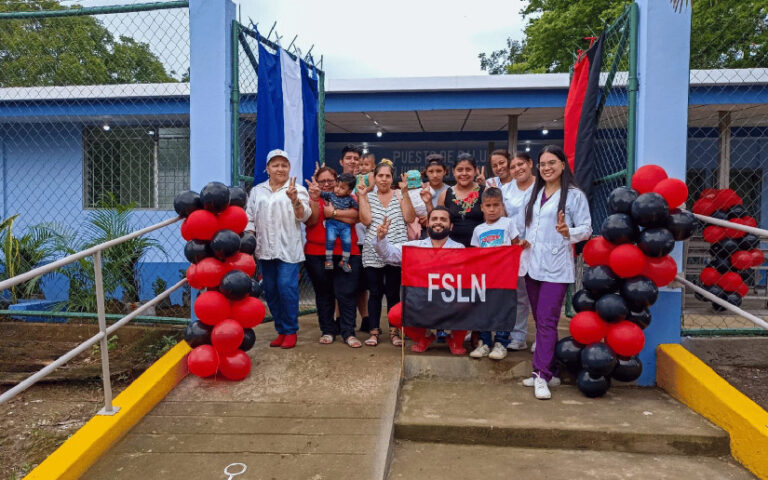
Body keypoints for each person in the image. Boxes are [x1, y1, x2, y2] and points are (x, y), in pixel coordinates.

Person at [518, 145, 592, 400]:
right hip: (532, 265)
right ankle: (551, 370)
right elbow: (527, 227)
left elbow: (587, 228)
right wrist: (522, 240)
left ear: (562, 165)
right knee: (540, 321)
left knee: (547, 320)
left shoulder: (574, 196)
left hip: (556, 268)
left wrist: (568, 232)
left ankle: (540, 374)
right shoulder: (534, 193)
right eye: (543, 164)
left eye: (552, 163)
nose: (547, 168)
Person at [373, 206, 465, 353]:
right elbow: (388, 254)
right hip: (421, 302)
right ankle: (424, 337)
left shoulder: (460, 249)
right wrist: (381, 238)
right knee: (395, 315)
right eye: (434, 219)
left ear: (451, 226)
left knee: (471, 305)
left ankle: (455, 340)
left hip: (451, 302)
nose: (438, 222)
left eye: (443, 219)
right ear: (427, 224)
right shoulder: (414, 247)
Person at [245, 149, 311, 350]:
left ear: (289, 168)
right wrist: (249, 244)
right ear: (267, 168)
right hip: (264, 250)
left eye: (284, 165)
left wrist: (295, 200)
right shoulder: (257, 191)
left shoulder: (297, 189)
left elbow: (304, 216)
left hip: (288, 249)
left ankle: (290, 331)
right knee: (271, 291)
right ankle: (281, 330)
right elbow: (249, 218)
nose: (280, 169)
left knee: (286, 288)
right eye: (275, 165)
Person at [358, 162, 417, 347]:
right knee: (374, 293)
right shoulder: (367, 196)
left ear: (392, 178)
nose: (384, 179)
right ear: (375, 178)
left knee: (393, 293)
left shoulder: (399, 194)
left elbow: (410, 218)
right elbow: (366, 220)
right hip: (372, 252)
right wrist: (362, 197)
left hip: (396, 252)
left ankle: (394, 332)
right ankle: (374, 332)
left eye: (387, 176)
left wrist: (405, 193)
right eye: (380, 175)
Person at [304, 167, 363, 347]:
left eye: (331, 180)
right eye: (322, 181)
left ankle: (348, 332)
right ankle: (328, 330)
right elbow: (311, 221)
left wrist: (334, 214)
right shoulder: (312, 197)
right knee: (324, 294)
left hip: (347, 252)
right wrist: (315, 199)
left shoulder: (348, 197)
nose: (327, 184)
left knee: (347, 293)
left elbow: (356, 217)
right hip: (317, 253)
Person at [468, 187, 524, 361]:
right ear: (482, 207)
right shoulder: (478, 229)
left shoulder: (508, 223)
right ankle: (484, 343)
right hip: (486, 278)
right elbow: (475, 254)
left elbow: (515, 246)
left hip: (505, 277)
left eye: (496, 205)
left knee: (503, 310)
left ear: (502, 206)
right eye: (488, 205)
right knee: (485, 310)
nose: (492, 209)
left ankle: (501, 343)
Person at [489, 150, 536, 351]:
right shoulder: (505, 190)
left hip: (538, 246)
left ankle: (543, 338)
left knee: (540, 294)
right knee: (520, 295)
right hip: (514, 248)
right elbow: (502, 218)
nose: (517, 169)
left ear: (530, 164)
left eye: (520, 165)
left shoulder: (542, 187)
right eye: (514, 166)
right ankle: (518, 336)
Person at [425, 153, 486, 248]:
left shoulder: (485, 192)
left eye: (468, 169)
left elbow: (494, 223)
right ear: (454, 171)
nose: (464, 173)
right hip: (451, 250)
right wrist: (428, 203)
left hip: (480, 249)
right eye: (460, 170)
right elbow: (436, 222)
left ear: (475, 171)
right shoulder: (445, 194)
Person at [319, 173, 358, 272]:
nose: (337, 189)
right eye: (337, 186)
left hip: (345, 226)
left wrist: (361, 196)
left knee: (347, 241)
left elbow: (358, 211)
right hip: (331, 224)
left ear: (349, 191)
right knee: (330, 239)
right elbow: (320, 193)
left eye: (342, 188)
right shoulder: (330, 195)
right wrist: (315, 189)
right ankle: (328, 260)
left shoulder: (351, 199)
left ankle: (344, 261)